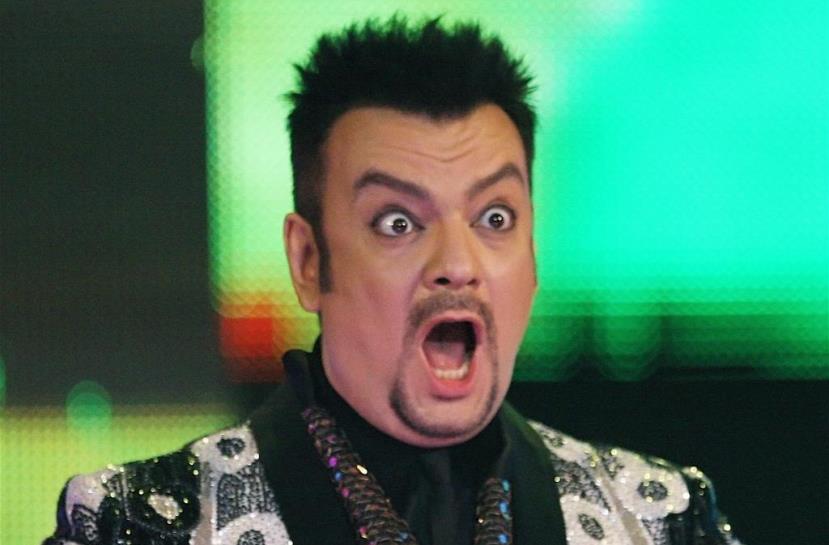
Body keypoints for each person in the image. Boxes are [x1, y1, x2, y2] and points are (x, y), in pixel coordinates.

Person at [44, 16, 741, 545]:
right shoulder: (140, 523)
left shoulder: (659, 518)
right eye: (398, 222)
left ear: (532, 258)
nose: (458, 262)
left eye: (494, 217)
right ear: (308, 261)